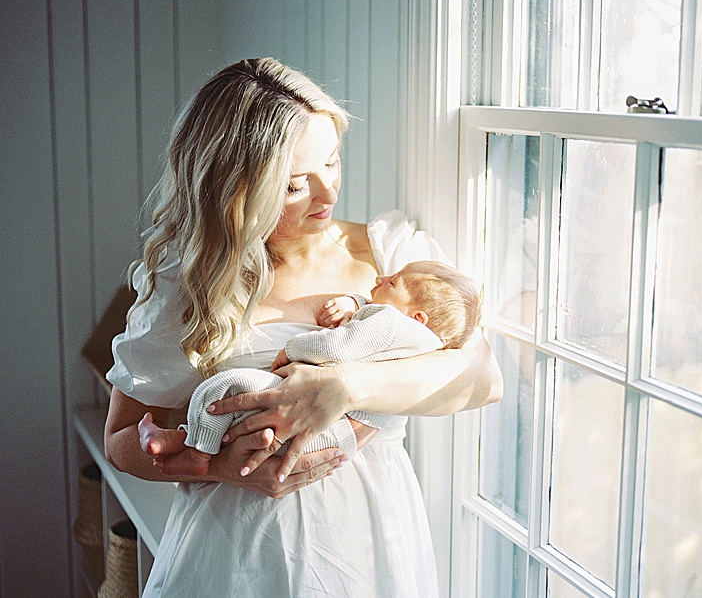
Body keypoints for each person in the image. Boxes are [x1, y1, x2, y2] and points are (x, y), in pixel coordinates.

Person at [104, 57, 502, 597]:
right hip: (236, 556)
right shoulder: (192, 279)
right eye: (295, 185)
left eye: (332, 163)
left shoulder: (393, 258)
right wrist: (219, 469)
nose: (328, 195)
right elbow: (122, 441)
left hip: (370, 549)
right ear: (235, 188)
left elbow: (481, 378)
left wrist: (342, 388)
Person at [139, 259, 482, 478]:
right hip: (336, 442)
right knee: (241, 421)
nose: (381, 275)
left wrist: (292, 349)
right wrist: (357, 303)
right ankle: (185, 441)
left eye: (393, 282)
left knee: (224, 389)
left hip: (317, 426)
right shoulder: (427, 343)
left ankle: (196, 450)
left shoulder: (391, 322)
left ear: (417, 318)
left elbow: (337, 346)